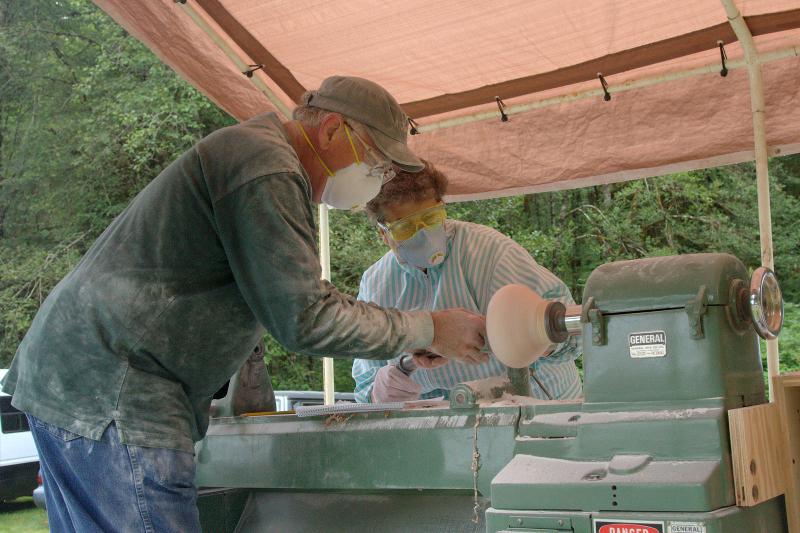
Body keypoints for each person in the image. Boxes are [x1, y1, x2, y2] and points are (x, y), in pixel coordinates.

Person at [0, 76, 489, 532]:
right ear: (334, 130)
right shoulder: (266, 164)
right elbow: (306, 318)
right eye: (378, 161)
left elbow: (265, 301)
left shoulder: (258, 156)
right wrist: (430, 327)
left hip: (81, 379)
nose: (379, 179)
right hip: (116, 390)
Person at [352, 160, 583, 403]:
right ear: (383, 233)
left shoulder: (491, 253)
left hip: (539, 405)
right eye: (406, 227)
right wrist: (376, 391)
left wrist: (536, 336)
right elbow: (365, 375)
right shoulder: (375, 284)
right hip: (444, 424)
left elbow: (575, 332)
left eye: (431, 218)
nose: (423, 234)